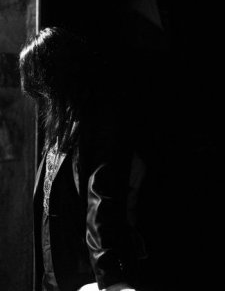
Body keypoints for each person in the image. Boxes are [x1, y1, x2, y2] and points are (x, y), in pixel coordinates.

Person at [18, 27, 143, 291]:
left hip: (85, 280)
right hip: (55, 279)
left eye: (43, 89)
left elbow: (101, 202)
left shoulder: (96, 127)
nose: (43, 101)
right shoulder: (60, 130)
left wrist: (110, 279)